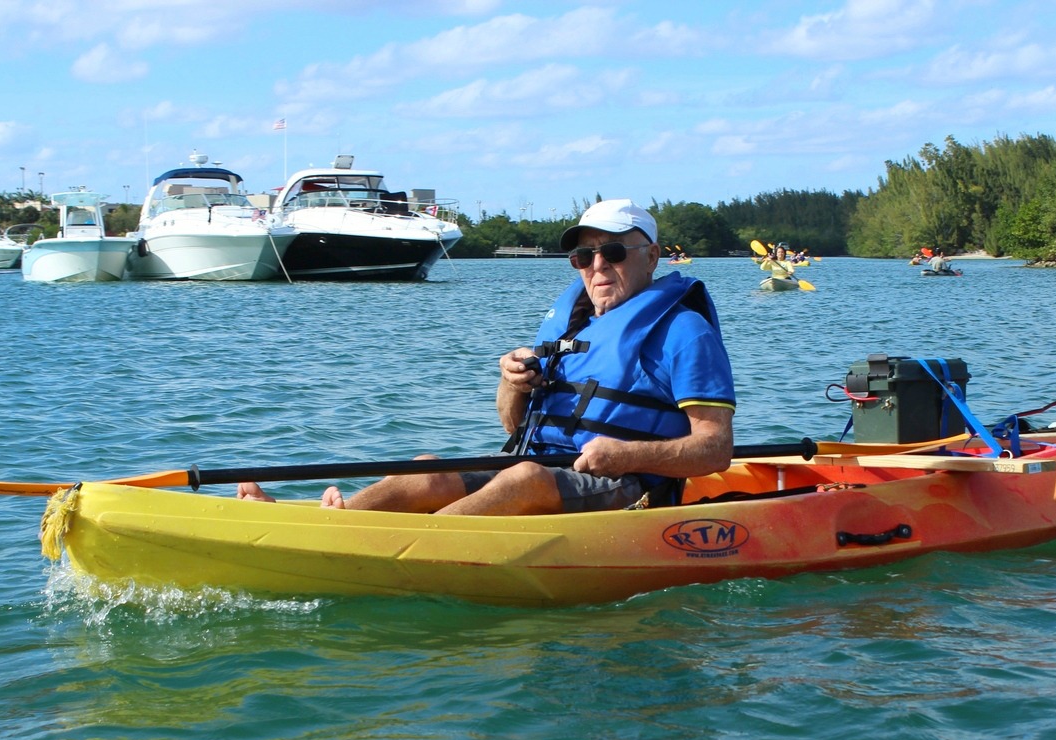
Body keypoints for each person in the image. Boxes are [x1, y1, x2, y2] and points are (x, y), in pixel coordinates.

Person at [238, 199, 736, 515]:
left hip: (629, 486)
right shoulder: (576, 322)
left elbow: (714, 450)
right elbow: (510, 426)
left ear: (651, 257)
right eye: (585, 257)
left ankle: (404, 549)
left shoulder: (685, 332)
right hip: (539, 467)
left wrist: (628, 455)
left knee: (523, 478)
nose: (597, 266)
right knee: (427, 469)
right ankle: (324, 522)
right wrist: (510, 383)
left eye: (614, 253)